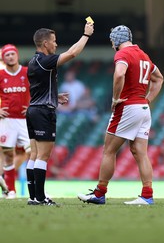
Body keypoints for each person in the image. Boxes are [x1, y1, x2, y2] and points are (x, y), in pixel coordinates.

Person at [77, 25, 164, 205]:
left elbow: (119, 74)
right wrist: (147, 99)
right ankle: (147, 195)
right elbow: (159, 78)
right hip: (143, 108)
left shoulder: (122, 54)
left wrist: (115, 98)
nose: (112, 45)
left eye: (112, 41)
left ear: (116, 40)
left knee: (109, 151)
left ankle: (100, 194)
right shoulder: (144, 56)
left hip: (127, 106)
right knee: (141, 153)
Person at [26, 21, 94, 206]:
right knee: (43, 156)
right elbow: (72, 53)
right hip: (43, 113)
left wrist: (55, 97)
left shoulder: (33, 62)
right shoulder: (46, 61)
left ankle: (33, 197)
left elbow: (40, 90)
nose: (56, 44)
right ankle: (41, 198)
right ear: (45, 43)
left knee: (34, 155)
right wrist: (86, 35)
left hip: (33, 110)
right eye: (54, 41)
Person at [0, 44, 31, 199]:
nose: (10, 56)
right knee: (8, 155)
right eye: (7, 54)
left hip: (26, 120)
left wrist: (32, 107)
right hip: (7, 121)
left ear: (17, 55)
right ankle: (10, 191)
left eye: (13, 54)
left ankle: (38, 190)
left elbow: (38, 90)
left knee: (33, 153)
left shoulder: (27, 72)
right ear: (3, 58)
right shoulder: (0, 75)